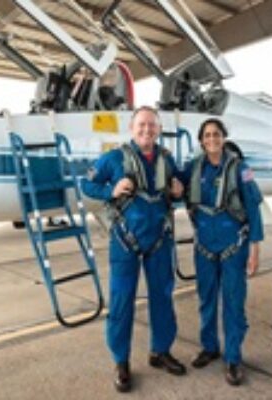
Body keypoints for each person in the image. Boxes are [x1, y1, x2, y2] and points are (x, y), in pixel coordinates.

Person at [81, 106, 186, 393]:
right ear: (131, 128)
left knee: (163, 297)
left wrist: (179, 189)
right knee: (121, 301)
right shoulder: (114, 158)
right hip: (125, 241)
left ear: (159, 129)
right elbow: (86, 184)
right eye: (141, 125)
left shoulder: (166, 159)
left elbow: (180, 185)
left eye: (152, 125)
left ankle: (160, 351)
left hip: (160, 240)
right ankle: (121, 361)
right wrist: (110, 191)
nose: (147, 130)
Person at [183, 118, 264, 386]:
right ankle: (209, 347)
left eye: (216, 134)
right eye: (206, 135)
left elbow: (253, 209)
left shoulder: (241, 169)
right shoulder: (194, 168)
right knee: (206, 300)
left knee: (233, 303)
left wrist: (255, 250)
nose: (211, 139)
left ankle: (233, 357)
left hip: (234, 246)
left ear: (224, 137)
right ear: (201, 140)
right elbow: (175, 188)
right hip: (204, 245)